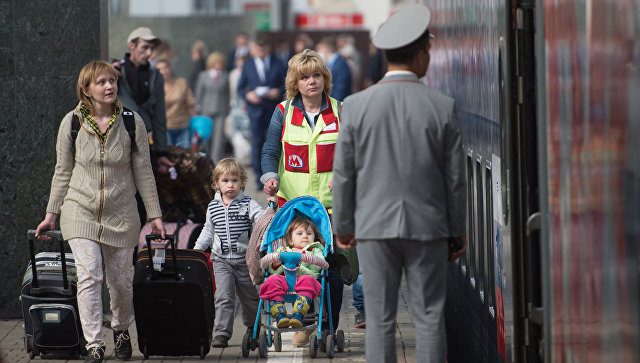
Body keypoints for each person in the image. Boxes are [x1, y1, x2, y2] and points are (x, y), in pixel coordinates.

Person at [331, 5, 468, 363]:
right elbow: (455, 179)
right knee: (429, 319)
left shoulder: (356, 106)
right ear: (421, 53)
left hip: (374, 228)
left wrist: (343, 225)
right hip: (429, 228)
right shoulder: (442, 106)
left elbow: (344, 173)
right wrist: (457, 231)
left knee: (378, 320)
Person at [35, 61, 166, 363]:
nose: (109, 87)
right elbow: (62, 171)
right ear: (86, 89)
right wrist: (51, 214)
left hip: (122, 212)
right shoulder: (72, 122)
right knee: (90, 274)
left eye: (112, 81)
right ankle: (94, 342)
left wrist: (155, 214)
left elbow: (144, 172)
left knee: (121, 282)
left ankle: (120, 328)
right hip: (79, 210)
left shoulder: (132, 122)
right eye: (101, 82)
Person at [260, 49, 345, 347]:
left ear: (325, 79)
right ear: (295, 83)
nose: (312, 81)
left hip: (329, 210)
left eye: (317, 75)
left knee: (329, 269)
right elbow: (270, 151)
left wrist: (344, 173)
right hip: (292, 208)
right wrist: (269, 176)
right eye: (305, 77)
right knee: (291, 267)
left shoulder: (340, 111)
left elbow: (355, 152)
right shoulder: (283, 111)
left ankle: (326, 326)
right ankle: (300, 320)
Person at [192, 158, 269, 348]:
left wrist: (270, 212)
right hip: (221, 261)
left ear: (242, 182)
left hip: (244, 260)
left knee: (250, 297)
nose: (230, 185)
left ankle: (253, 327)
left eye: (234, 181)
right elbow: (208, 232)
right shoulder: (213, 206)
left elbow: (261, 219)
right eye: (225, 181)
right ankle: (222, 333)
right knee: (224, 297)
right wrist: (196, 252)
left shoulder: (247, 203)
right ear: (216, 183)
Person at [115, 27, 174, 176]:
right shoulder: (115, 71)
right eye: (144, 47)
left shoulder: (156, 76)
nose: (149, 53)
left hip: (143, 143)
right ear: (132, 46)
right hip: (117, 141)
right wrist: (110, 73)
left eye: (151, 49)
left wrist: (161, 153)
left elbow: (160, 117)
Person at [259, 216, 328, 329]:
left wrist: (301, 264)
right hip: (284, 283)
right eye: (299, 233)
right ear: (290, 240)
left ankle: (298, 314)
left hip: (304, 282)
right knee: (272, 279)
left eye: (309, 233)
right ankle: (280, 314)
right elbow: (272, 270)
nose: (305, 236)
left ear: (314, 237)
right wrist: (276, 263)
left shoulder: (315, 249)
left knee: (308, 279)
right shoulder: (282, 250)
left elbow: (317, 268)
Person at [237, 34, 286, 189]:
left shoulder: (278, 63)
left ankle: (277, 177)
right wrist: (248, 96)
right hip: (255, 109)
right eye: (258, 48)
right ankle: (259, 178)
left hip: (273, 108)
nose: (261, 51)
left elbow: (287, 83)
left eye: (263, 48)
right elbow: (240, 88)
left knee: (275, 143)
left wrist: (277, 91)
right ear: (253, 48)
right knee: (257, 143)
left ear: (268, 48)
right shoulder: (248, 64)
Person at [195, 51, 231, 162]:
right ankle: (206, 159)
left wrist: (227, 108)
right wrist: (198, 108)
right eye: (216, 62)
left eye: (220, 62)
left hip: (220, 110)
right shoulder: (203, 75)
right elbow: (199, 93)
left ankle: (216, 162)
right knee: (206, 137)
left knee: (218, 138)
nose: (218, 65)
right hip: (206, 110)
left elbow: (227, 94)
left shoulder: (225, 76)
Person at [155, 58, 196, 149]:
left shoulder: (181, 83)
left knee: (185, 157)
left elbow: (191, 105)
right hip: (165, 128)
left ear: (170, 69)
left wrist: (197, 125)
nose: (163, 71)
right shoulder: (155, 87)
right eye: (159, 69)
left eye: (165, 68)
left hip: (183, 126)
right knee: (169, 158)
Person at [316, 36, 352, 101]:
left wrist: (330, 106)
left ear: (326, 49)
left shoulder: (341, 64)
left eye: (320, 49)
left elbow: (340, 90)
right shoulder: (331, 63)